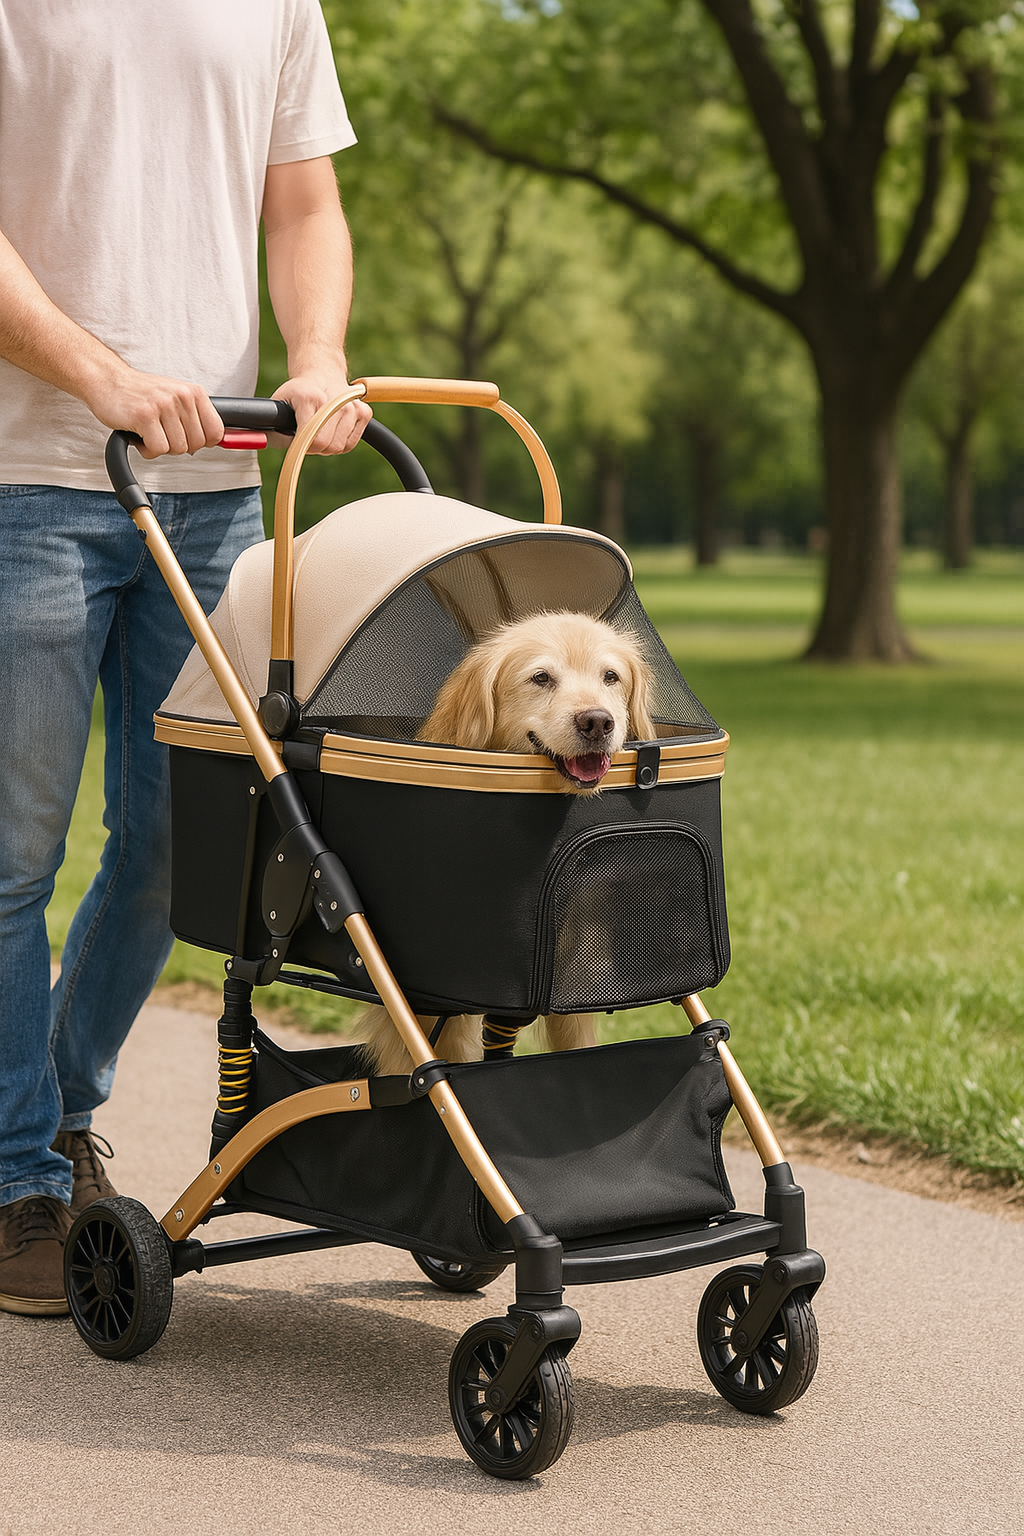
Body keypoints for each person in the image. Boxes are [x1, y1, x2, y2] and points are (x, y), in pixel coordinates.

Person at [0, 0, 372, 1316]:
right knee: (13, 854)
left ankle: (46, 1116)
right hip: (20, 485)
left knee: (179, 845)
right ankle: (15, 1181)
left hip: (212, 482)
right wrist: (99, 375)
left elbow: (303, 207)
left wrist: (316, 359)